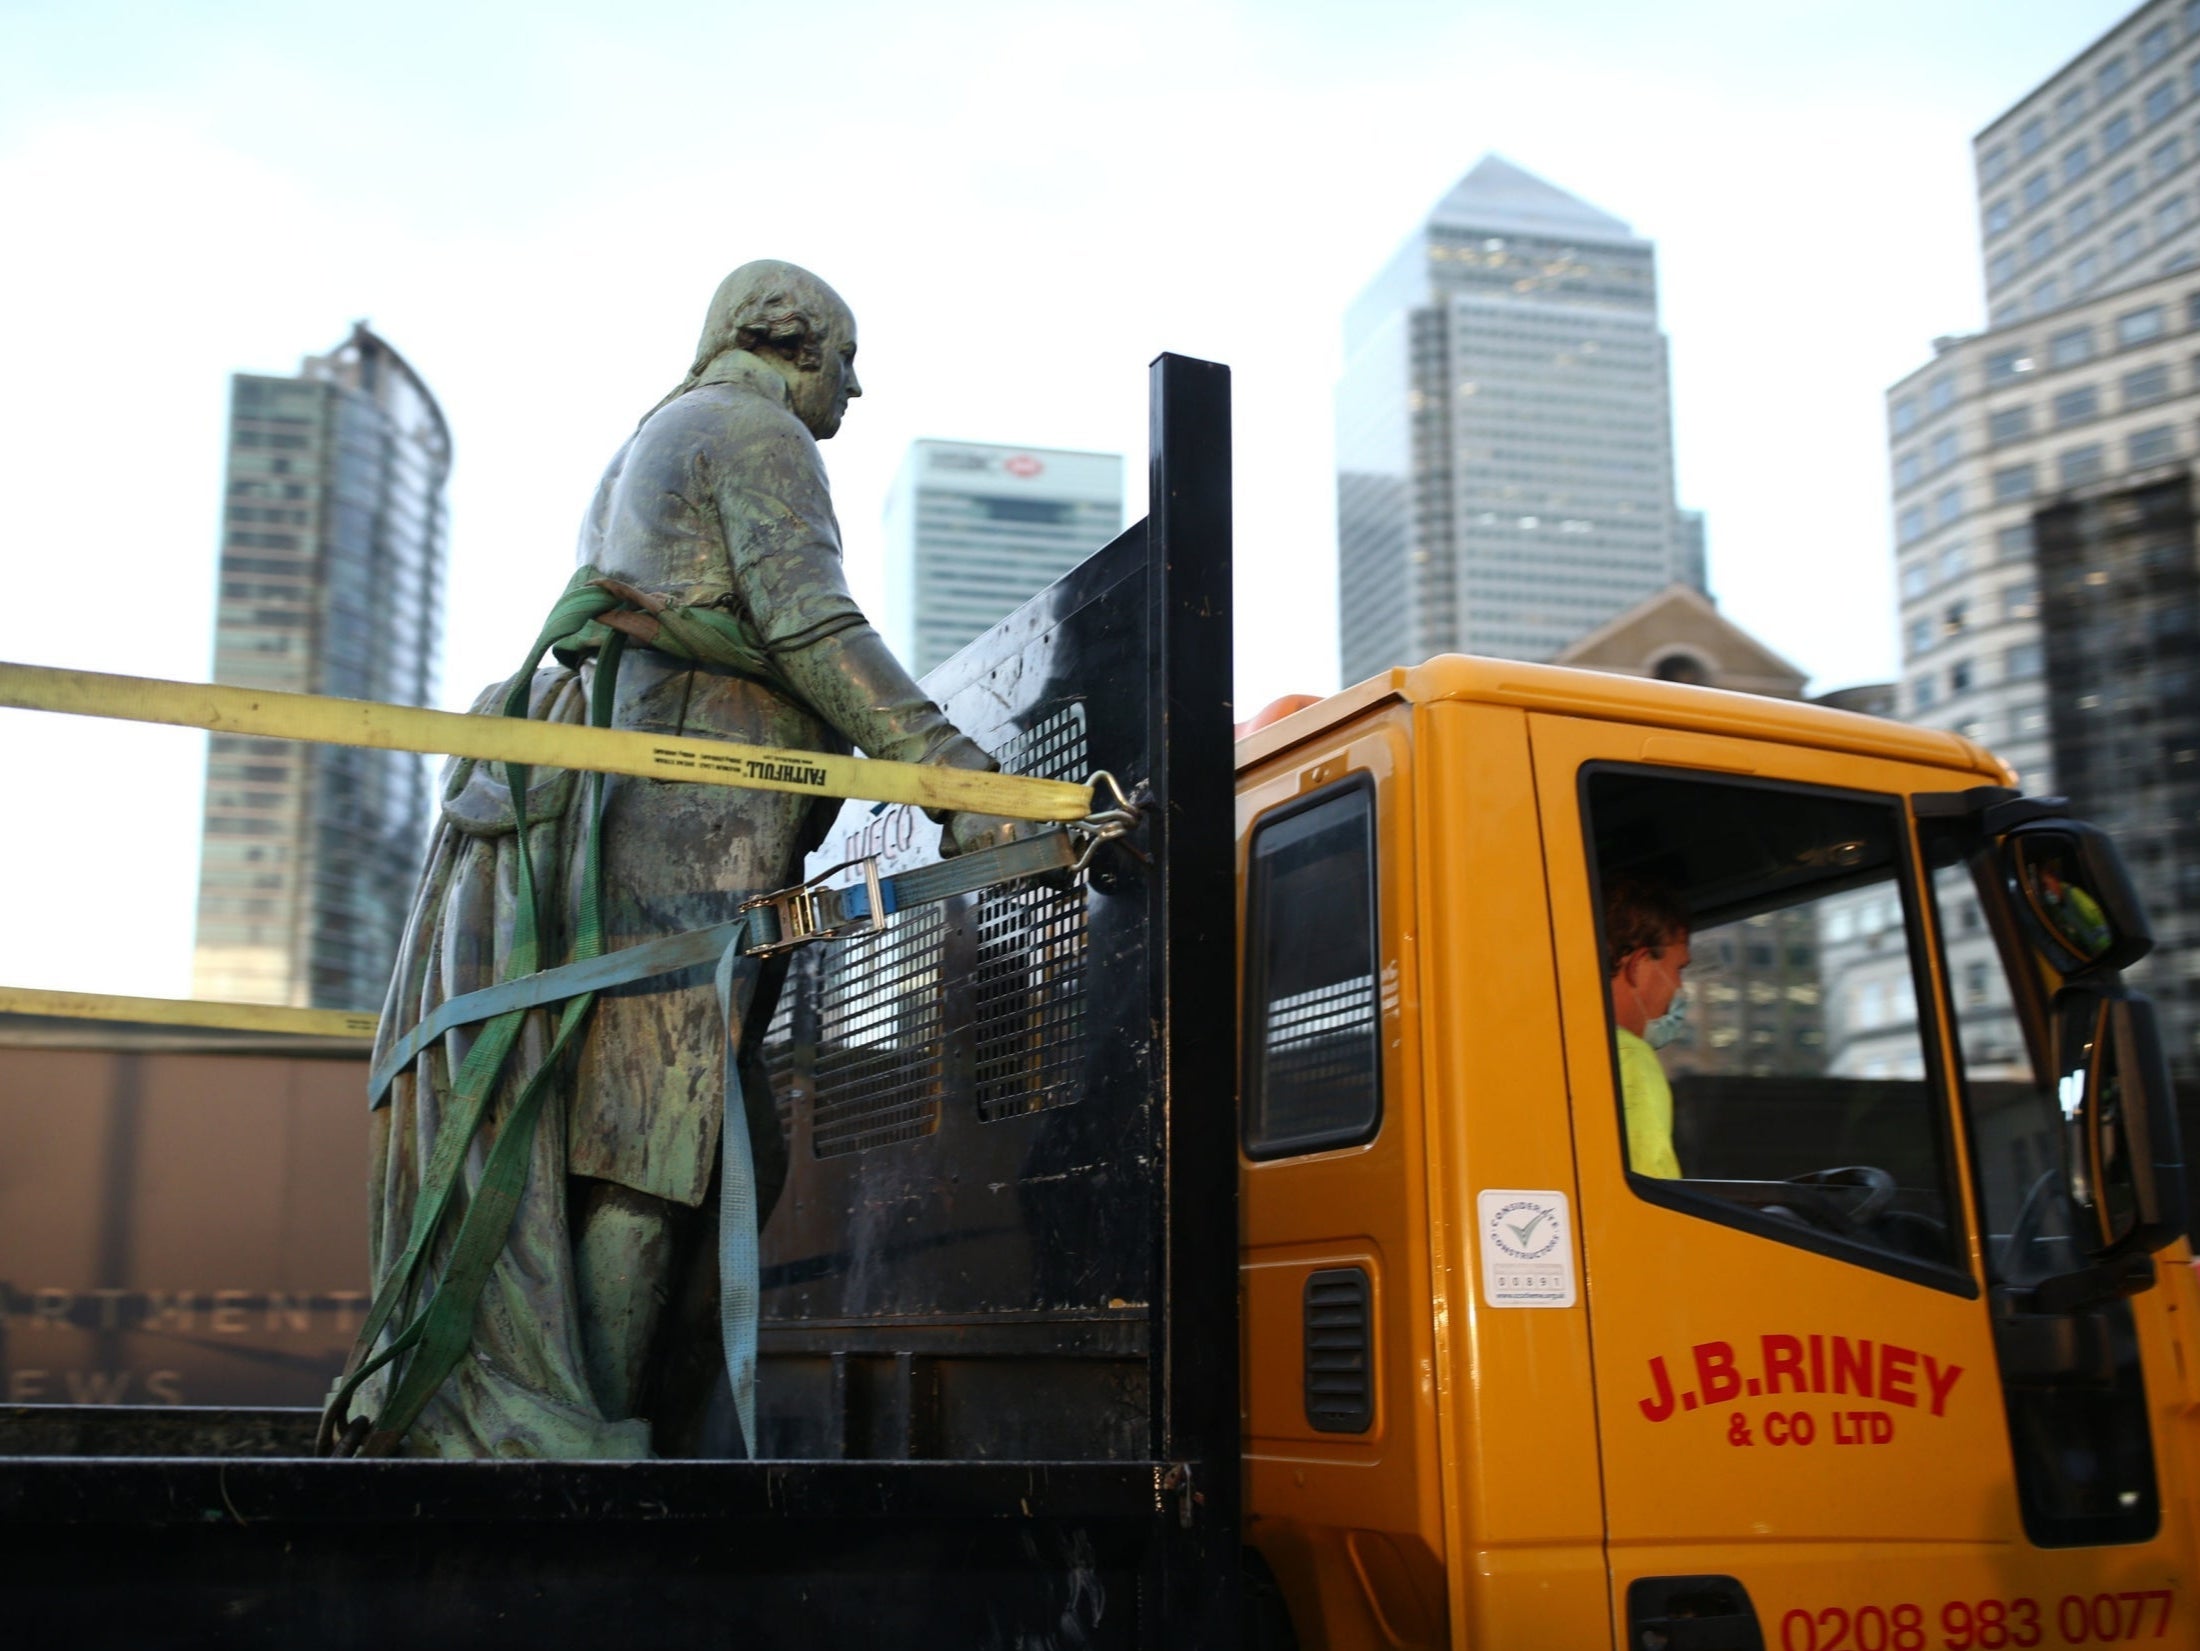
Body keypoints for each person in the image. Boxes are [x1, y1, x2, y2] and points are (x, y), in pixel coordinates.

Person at [353, 262, 1017, 1458]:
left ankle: (593, 1414)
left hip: (651, 817)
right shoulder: (748, 429)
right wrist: (955, 782)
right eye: (847, 357)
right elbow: (810, 621)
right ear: (789, 338)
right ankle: (587, 1434)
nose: (856, 388)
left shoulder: (653, 436)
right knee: (655, 1138)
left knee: (648, 1132)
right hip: (685, 828)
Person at [1603, 876, 1691, 1180]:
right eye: (1677, 969)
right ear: (1639, 964)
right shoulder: (1626, 1058)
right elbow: (1655, 1208)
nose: (1679, 987)